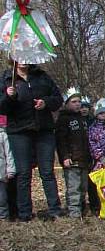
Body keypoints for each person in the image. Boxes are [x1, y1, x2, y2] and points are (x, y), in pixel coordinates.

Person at [0, 62, 63, 220]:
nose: (23, 61)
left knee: (47, 172)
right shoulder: (7, 78)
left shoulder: (42, 76)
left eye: (26, 57)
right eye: (20, 57)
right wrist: (9, 97)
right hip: (19, 132)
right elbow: (2, 108)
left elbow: (58, 99)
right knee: (24, 174)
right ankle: (24, 213)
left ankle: (55, 210)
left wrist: (45, 102)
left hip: (44, 130)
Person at [55, 90, 91, 218]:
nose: (77, 104)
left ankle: (81, 209)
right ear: (67, 103)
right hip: (72, 160)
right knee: (73, 187)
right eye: (74, 102)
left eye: (79, 102)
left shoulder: (83, 119)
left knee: (83, 187)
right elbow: (61, 140)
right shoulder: (63, 119)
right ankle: (74, 213)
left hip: (84, 160)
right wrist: (65, 156)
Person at [0, 114, 16, 220]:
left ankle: (3, 217)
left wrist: (11, 170)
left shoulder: (2, 135)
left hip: (1, 174)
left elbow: (9, 154)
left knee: (1, 198)